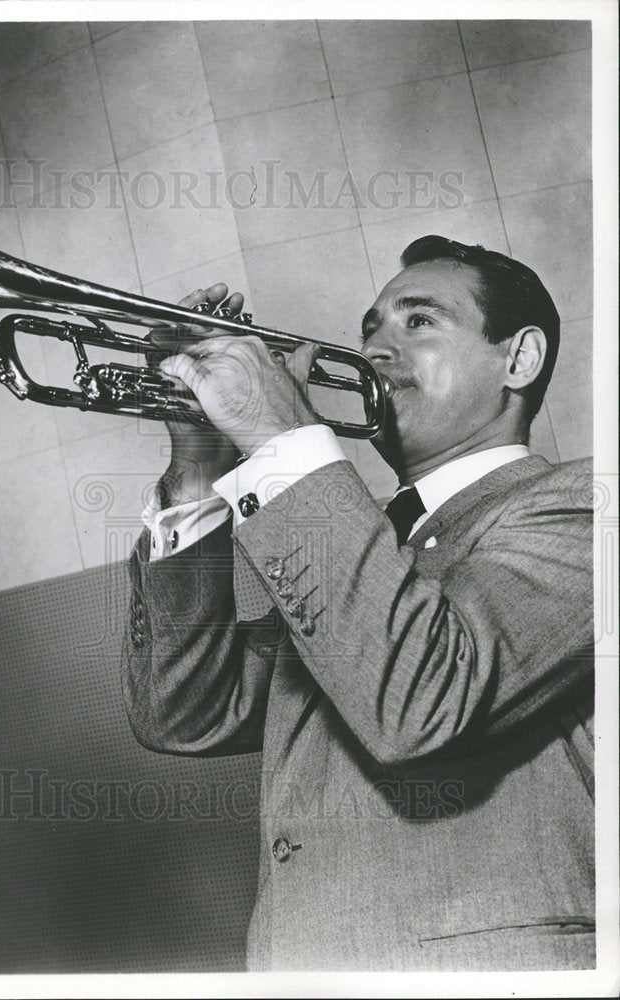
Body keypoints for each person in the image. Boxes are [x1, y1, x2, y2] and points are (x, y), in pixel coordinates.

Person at [120, 236, 594, 971]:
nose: (376, 349)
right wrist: (195, 468)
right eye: (370, 328)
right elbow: (184, 709)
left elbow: (416, 698)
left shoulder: (579, 509)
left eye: (419, 322)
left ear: (519, 359)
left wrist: (280, 439)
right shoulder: (366, 546)